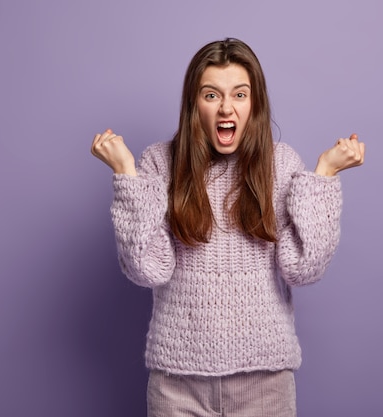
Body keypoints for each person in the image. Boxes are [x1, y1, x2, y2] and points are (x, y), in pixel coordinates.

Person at [91, 38, 364, 417]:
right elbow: (147, 268)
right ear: (193, 104)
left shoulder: (281, 164)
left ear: (254, 103)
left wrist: (324, 174)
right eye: (211, 95)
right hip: (177, 384)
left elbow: (303, 268)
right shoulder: (159, 162)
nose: (226, 108)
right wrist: (126, 174)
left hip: (265, 384)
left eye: (239, 94)